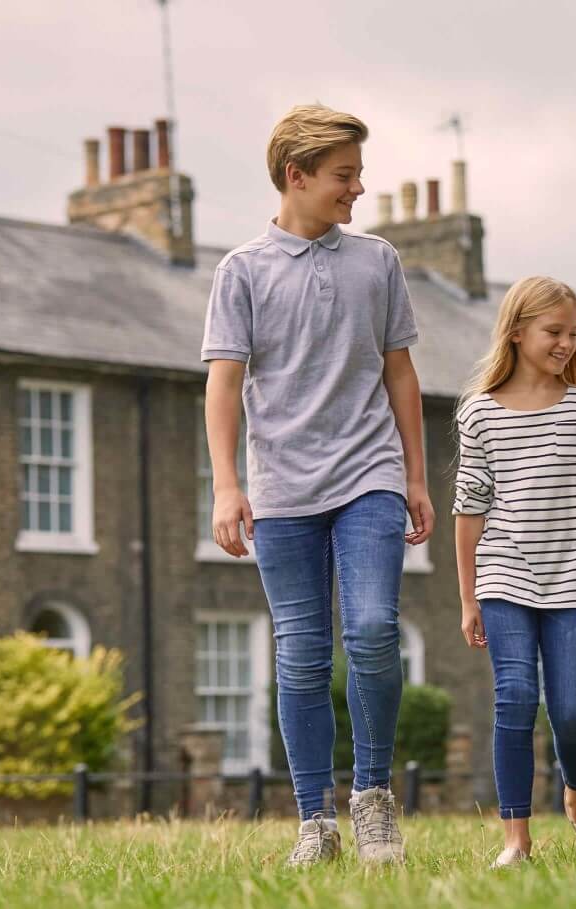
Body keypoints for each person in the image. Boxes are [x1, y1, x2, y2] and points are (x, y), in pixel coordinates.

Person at [201, 104, 433, 866]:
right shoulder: (242, 272)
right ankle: (315, 822)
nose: (358, 188)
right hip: (283, 488)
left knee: (370, 630)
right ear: (296, 177)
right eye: (344, 175)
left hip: (369, 472)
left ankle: (371, 799)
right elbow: (225, 385)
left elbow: (400, 370)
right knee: (300, 651)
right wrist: (226, 486)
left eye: (359, 174)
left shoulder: (378, 262)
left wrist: (417, 477)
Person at [453, 277, 576, 869]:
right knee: (515, 698)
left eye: (574, 334)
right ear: (518, 331)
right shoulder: (478, 413)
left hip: (575, 577)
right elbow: (469, 508)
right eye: (554, 332)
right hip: (503, 575)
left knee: (573, 708)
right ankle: (515, 839)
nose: (566, 344)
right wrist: (468, 596)